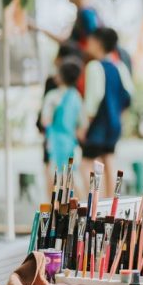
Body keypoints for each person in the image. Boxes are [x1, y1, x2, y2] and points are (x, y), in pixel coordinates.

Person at [78, 27, 133, 196]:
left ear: (98, 43)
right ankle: (112, 203)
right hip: (115, 123)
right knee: (109, 160)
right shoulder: (120, 66)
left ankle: (96, 202)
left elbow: (94, 99)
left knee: (87, 165)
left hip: (98, 124)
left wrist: (84, 125)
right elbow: (129, 95)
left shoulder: (94, 66)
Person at [37, 42, 85, 182]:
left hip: (55, 142)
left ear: (60, 76)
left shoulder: (52, 96)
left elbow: (45, 120)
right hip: (71, 142)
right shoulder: (77, 96)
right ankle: (81, 203)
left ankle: (55, 204)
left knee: (54, 178)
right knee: (71, 178)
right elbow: (82, 126)